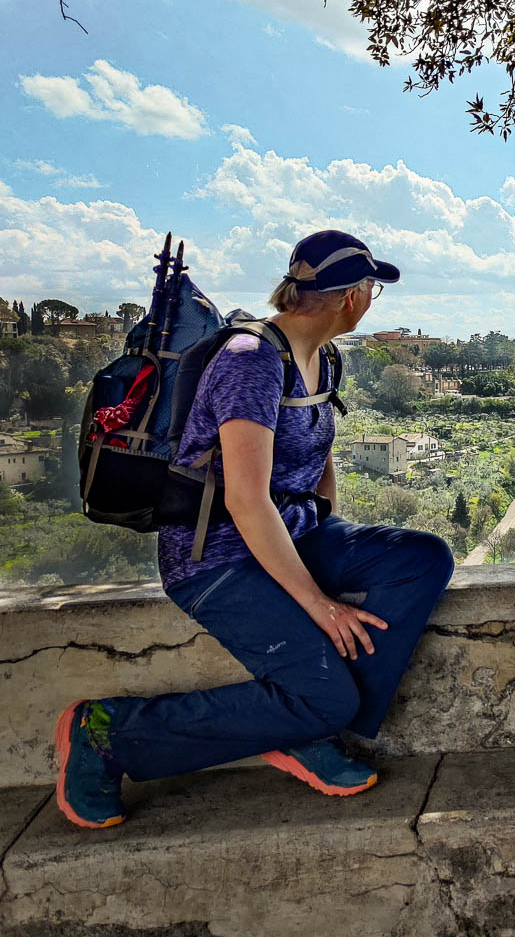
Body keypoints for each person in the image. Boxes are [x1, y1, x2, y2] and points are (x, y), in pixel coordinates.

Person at [54, 231, 454, 828]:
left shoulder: (324, 358)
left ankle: (307, 727)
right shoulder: (250, 361)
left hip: (294, 534)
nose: (373, 298)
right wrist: (320, 604)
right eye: (372, 287)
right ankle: (107, 734)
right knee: (327, 696)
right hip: (215, 559)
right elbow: (246, 499)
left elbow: (318, 456)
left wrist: (330, 530)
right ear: (350, 297)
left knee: (423, 557)